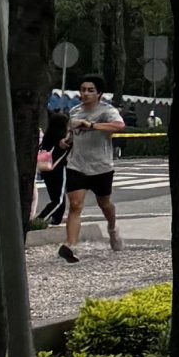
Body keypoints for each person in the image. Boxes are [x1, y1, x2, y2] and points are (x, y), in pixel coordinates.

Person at [58, 76, 126, 261]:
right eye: (83, 89)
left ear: (99, 93)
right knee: (75, 205)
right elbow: (72, 133)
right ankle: (71, 246)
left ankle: (112, 227)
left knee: (104, 204)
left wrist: (92, 125)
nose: (85, 93)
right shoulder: (74, 111)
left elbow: (119, 126)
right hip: (77, 165)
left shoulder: (107, 110)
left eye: (90, 90)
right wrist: (66, 141)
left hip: (101, 166)